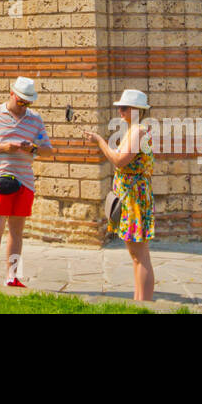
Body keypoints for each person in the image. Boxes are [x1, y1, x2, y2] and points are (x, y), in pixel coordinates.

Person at [0, 76, 53, 286]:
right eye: (21, 100)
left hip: (24, 181)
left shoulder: (35, 119)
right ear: (12, 94)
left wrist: (33, 148)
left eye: (28, 102)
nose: (24, 105)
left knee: (17, 232)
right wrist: (3, 147)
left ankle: (12, 277)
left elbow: (48, 150)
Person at [82, 88, 155, 302]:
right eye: (120, 107)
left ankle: (144, 303)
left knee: (139, 255)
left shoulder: (138, 131)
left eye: (124, 107)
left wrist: (100, 142)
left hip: (134, 198)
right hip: (132, 196)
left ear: (137, 110)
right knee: (137, 256)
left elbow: (120, 160)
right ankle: (139, 301)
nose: (120, 111)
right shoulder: (134, 130)